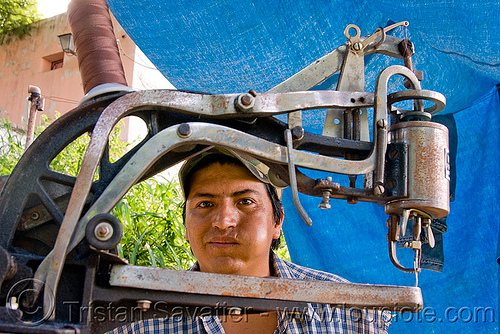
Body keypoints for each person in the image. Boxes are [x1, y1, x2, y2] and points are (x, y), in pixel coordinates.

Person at [109, 147, 391, 333]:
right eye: (205, 204)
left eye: (245, 201)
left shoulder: (350, 315)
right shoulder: (139, 324)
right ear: (185, 224)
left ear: (277, 222)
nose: (223, 220)